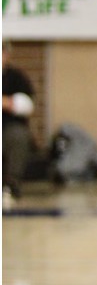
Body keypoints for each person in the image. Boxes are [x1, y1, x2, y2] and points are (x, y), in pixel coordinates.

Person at [2, 41, 36, 205]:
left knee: (18, 136)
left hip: (8, 126)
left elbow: (26, 105)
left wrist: (7, 102)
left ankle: (11, 185)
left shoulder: (16, 77)